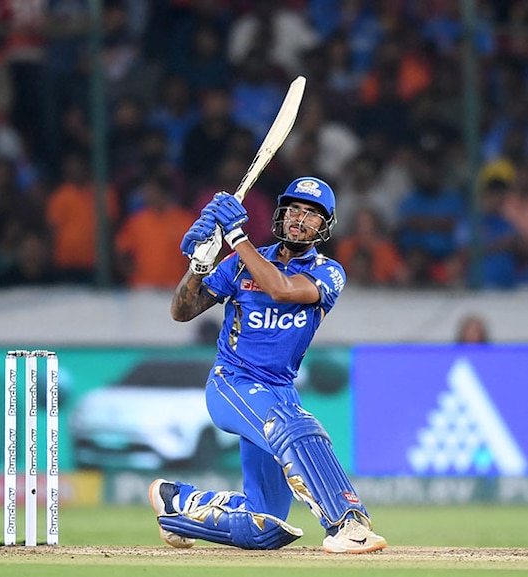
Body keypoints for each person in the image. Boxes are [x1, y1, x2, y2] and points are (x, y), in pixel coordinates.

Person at [148, 178, 387, 554]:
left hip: (280, 389)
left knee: (264, 528)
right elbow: (182, 311)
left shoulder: (329, 272)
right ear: (281, 212)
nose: (299, 218)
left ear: (324, 226)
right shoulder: (240, 262)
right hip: (233, 382)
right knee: (296, 427)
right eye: (294, 209)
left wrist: (235, 236)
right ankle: (347, 523)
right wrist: (198, 264)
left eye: (311, 214)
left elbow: (283, 289)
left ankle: (179, 503)